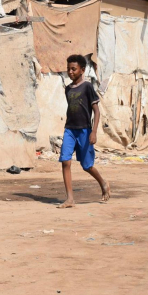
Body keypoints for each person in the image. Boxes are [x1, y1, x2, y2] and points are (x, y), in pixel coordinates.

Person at [57, 54, 110, 208]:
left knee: (87, 166)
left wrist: (94, 132)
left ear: (82, 70)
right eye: (68, 69)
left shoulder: (87, 87)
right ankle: (70, 199)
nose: (70, 72)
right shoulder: (68, 89)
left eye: (73, 69)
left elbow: (96, 111)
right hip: (69, 130)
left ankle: (103, 182)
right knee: (65, 161)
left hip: (85, 131)